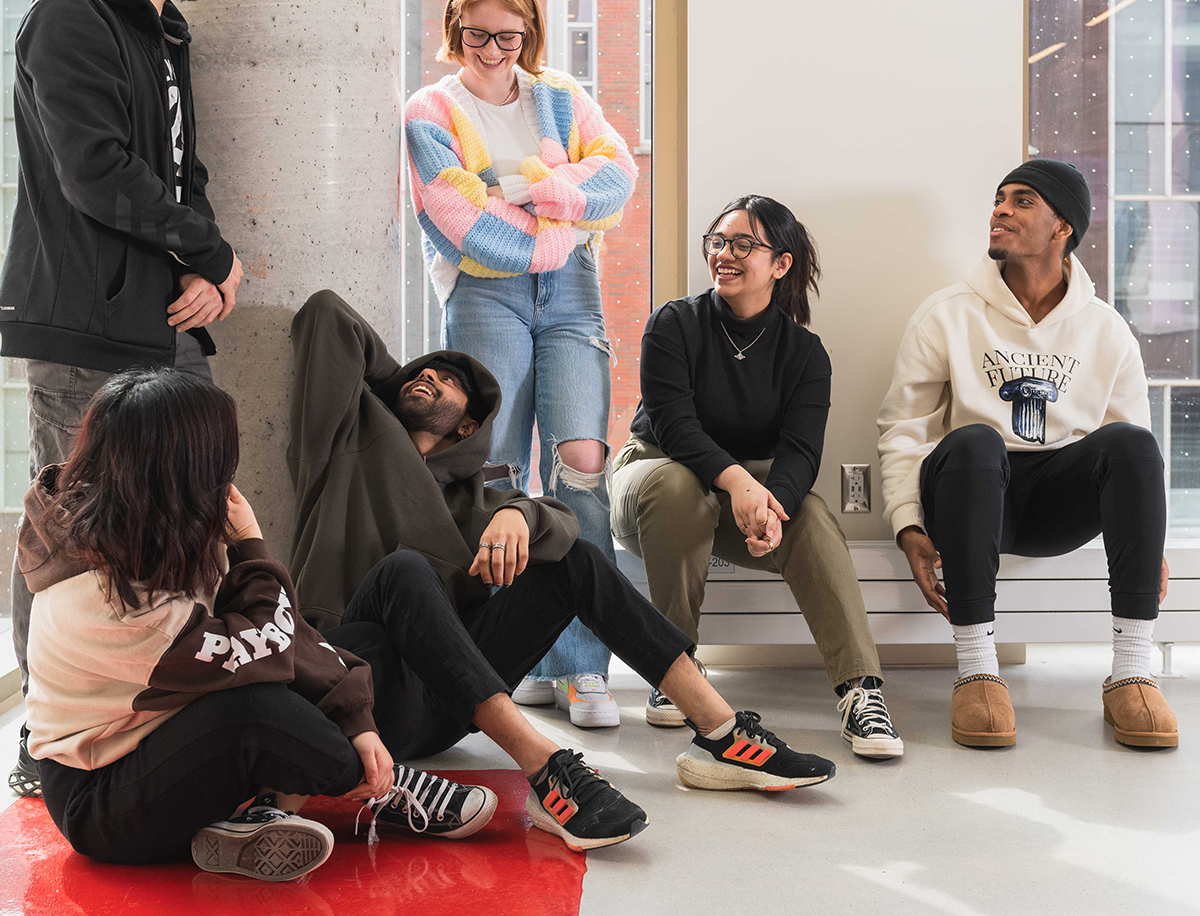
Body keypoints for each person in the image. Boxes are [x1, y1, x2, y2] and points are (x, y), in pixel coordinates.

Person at [288, 289, 838, 853]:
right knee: (404, 570)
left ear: (467, 428)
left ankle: (721, 732)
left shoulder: (477, 502)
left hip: (444, 707)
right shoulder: (342, 444)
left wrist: (517, 510)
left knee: (572, 559)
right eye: (422, 372)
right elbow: (326, 313)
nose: (429, 376)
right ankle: (548, 770)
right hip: (354, 682)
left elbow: (564, 526)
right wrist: (406, 379)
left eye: (448, 381)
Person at [23, 368, 498, 883]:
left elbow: (282, 636)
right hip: (103, 800)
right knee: (257, 709)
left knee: (362, 647)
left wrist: (356, 716)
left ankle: (261, 815)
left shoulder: (142, 520)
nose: (228, 473)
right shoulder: (107, 601)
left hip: (167, 731)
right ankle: (381, 783)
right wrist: (251, 544)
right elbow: (267, 646)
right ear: (178, 468)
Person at [0, 0, 246, 797]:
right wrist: (208, 250)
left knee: (192, 506)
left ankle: (167, 709)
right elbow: (94, 171)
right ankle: (45, 734)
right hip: (86, 324)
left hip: (164, 318)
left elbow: (182, 167)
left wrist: (203, 264)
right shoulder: (71, 15)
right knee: (68, 529)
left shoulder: (162, 29)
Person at [404, 0, 637, 728]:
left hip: (572, 292)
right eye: (478, 35)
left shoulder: (562, 98)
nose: (495, 51)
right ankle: (514, 650)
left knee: (581, 463)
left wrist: (538, 191)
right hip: (484, 293)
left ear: (530, 31)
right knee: (495, 466)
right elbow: (454, 213)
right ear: (455, 31)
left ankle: (581, 666)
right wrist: (558, 218)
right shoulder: (430, 111)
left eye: (509, 36)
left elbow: (618, 176)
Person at [877, 158, 1177, 749]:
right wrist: (908, 522)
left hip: (1053, 503)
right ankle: (977, 670)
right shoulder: (948, 313)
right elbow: (904, 427)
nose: (1000, 211)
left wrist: (1152, 544)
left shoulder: (1106, 329)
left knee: (1134, 444)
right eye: (998, 199)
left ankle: (1132, 671)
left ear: (1063, 227)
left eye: (1021, 202)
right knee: (975, 440)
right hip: (969, 488)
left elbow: (1130, 447)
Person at [610, 196, 904, 759]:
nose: (724, 254)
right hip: (651, 477)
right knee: (677, 485)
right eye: (717, 242)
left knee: (811, 513)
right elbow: (674, 428)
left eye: (743, 245)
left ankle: (860, 689)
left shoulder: (806, 354)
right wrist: (740, 483)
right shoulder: (673, 324)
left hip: (734, 496)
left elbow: (799, 453)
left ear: (781, 264)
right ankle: (675, 671)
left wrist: (775, 508)